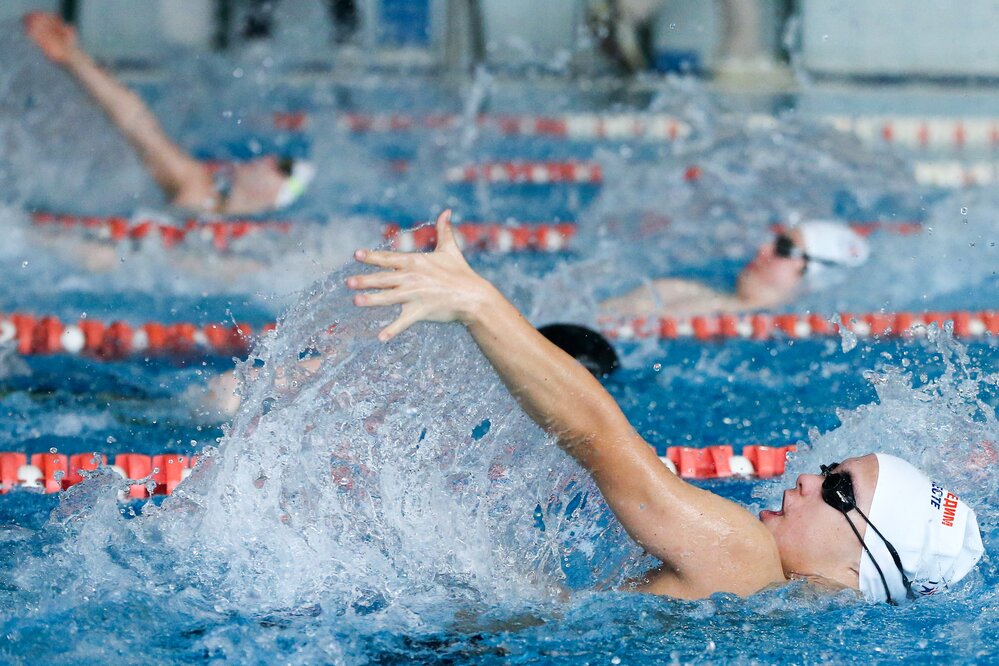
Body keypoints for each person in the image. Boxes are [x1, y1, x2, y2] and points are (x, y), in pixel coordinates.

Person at [346, 210, 983, 602]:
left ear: (861, 564)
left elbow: (601, 437)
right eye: (829, 469)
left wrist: (478, 304)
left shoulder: (743, 555)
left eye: (838, 490)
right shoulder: (770, 608)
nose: (808, 479)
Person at [23, 12, 315, 216]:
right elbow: (137, 124)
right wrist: (74, 58)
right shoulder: (197, 187)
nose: (267, 159)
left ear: (277, 196)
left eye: (283, 167)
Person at [601, 220, 871, 318]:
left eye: (784, 248)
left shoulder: (712, 315)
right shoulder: (674, 289)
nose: (764, 249)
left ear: (813, 274)